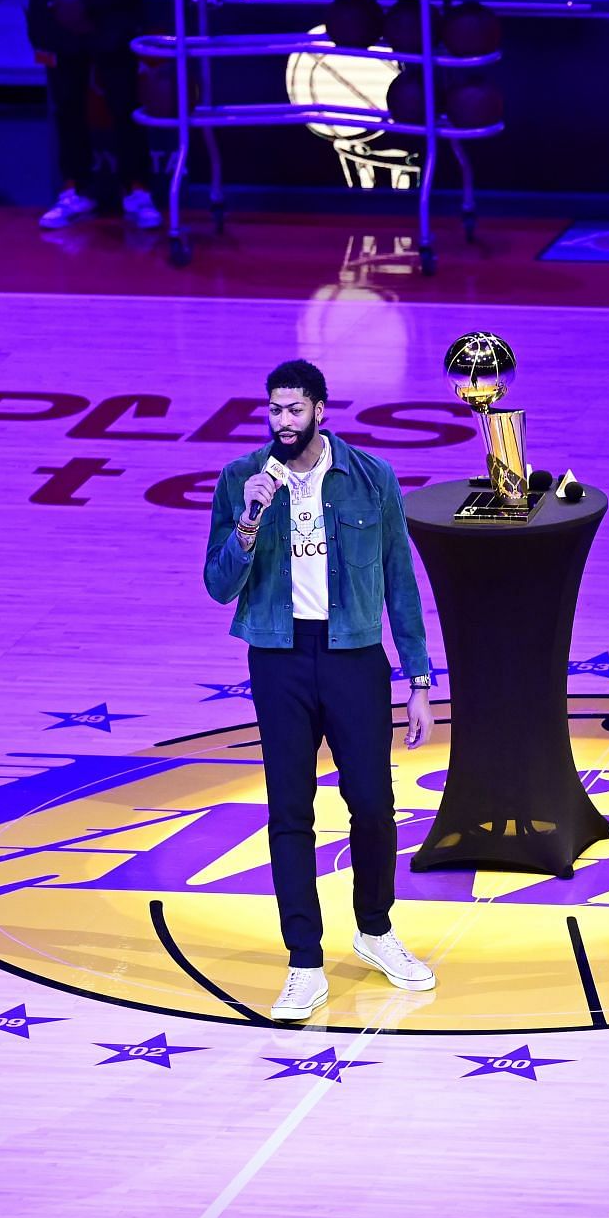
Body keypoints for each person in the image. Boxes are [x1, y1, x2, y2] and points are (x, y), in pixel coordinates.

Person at [203, 359, 437, 1021]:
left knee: (372, 801)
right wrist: (250, 519)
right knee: (290, 811)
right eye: (274, 410)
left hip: (352, 655)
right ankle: (303, 961)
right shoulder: (239, 482)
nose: (283, 422)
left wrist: (419, 678)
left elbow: (400, 583)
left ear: (320, 411)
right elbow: (219, 585)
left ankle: (375, 929)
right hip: (277, 657)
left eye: (294, 410)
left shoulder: (370, 480)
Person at [15, 0, 164, 230]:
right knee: (66, 104)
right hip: (54, 15)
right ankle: (73, 189)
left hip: (111, 13)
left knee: (124, 101)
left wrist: (89, 0)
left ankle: (137, 189)